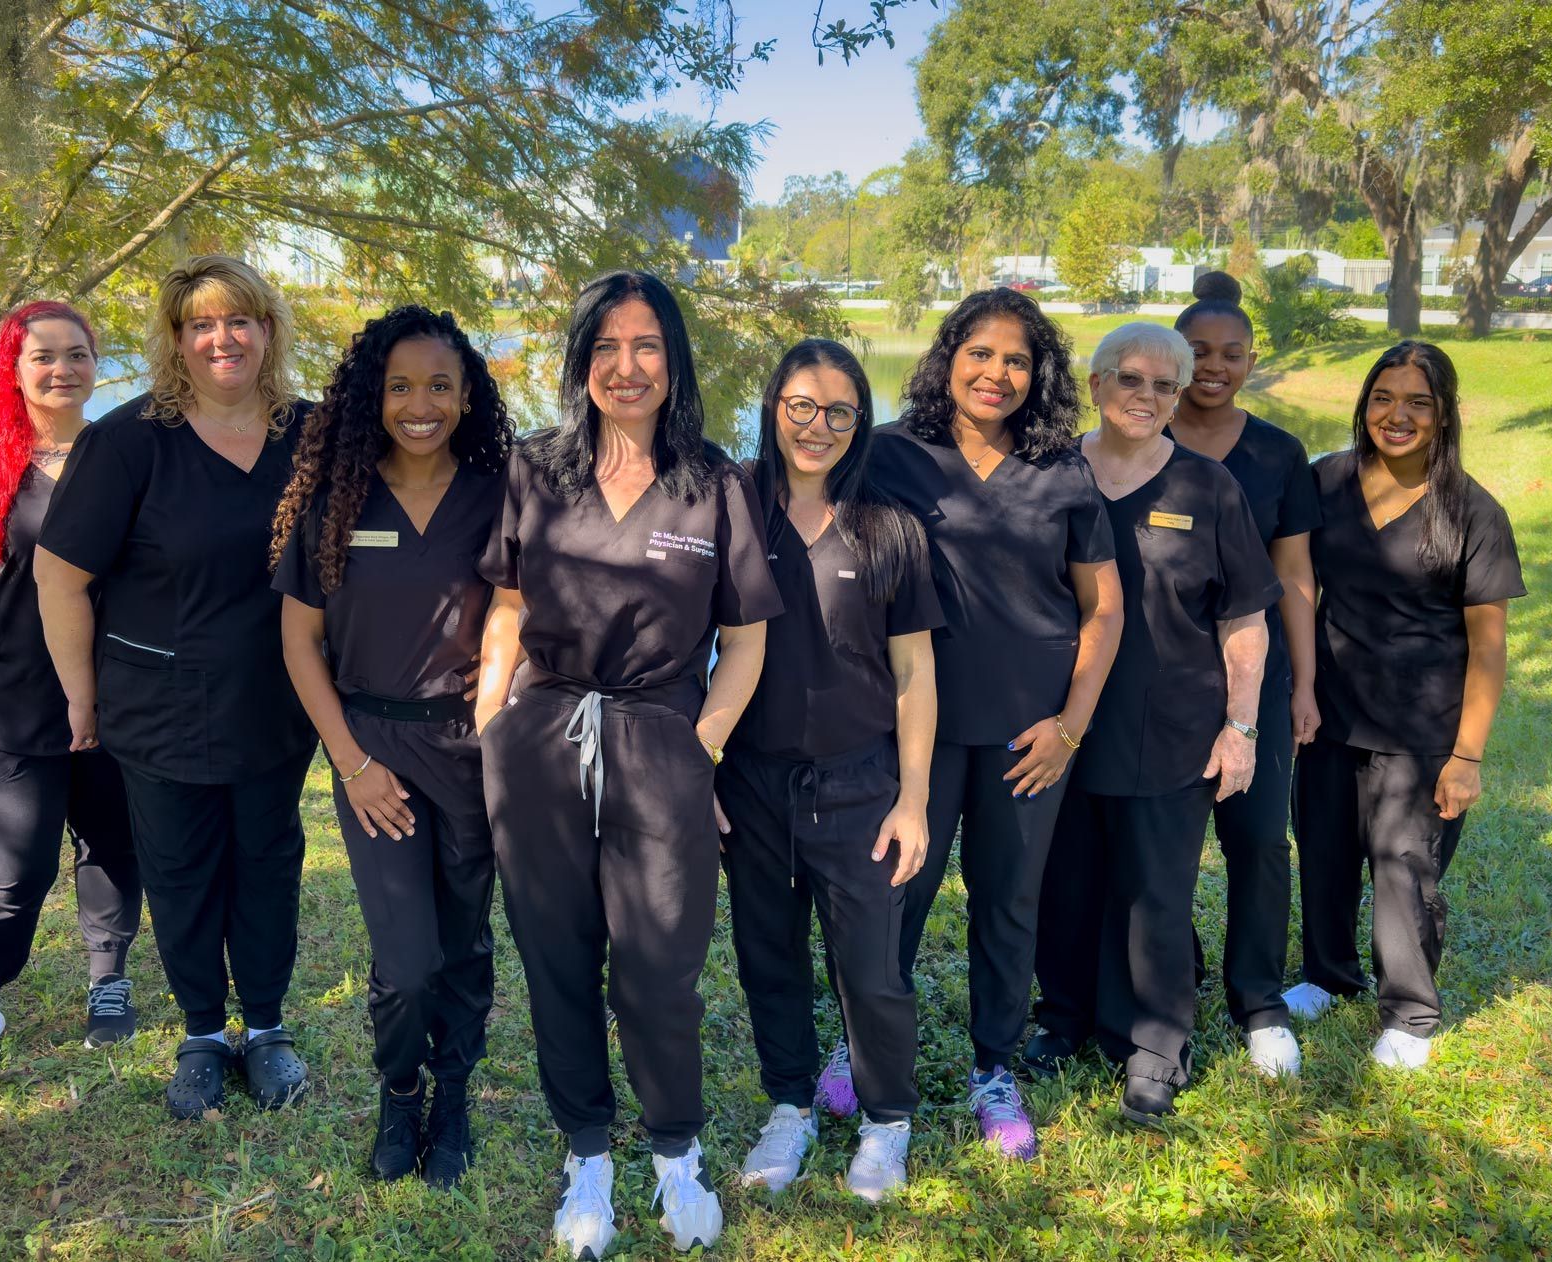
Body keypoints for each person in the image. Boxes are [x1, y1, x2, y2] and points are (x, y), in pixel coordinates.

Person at [473, 271, 781, 1257]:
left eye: (647, 345)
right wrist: (492, 729)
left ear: (675, 360)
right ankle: (589, 1159)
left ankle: (675, 1150)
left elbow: (746, 638)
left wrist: (700, 747)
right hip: (542, 735)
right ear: (581, 360)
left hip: (661, 738)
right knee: (556, 957)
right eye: (606, 346)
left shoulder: (715, 482)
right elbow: (510, 608)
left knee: (659, 970)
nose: (626, 365)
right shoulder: (536, 467)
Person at [35, 256, 318, 1118]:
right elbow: (58, 576)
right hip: (158, 708)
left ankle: (265, 1028)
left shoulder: (313, 435)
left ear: (268, 329)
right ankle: (202, 1032)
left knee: (267, 866)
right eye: (200, 324)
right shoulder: (127, 441)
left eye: (238, 320)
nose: (221, 338)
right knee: (183, 870)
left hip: (278, 700)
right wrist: (81, 697)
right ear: (175, 340)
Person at [866, 288, 1122, 1160]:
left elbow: (1104, 611)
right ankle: (862, 1042)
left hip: (1026, 739)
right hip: (915, 732)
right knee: (895, 894)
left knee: (1009, 907)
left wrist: (1069, 726)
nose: (997, 373)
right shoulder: (889, 455)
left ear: (1038, 374)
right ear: (949, 357)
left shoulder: (1063, 472)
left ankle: (992, 1068)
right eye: (980, 353)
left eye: (1018, 359)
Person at [271, 306, 512, 1187]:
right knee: (407, 963)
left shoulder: (498, 495)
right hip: (371, 748)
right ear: (373, 395)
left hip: (473, 746)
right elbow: (300, 645)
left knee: (465, 944)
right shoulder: (338, 501)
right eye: (401, 385)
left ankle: (452, 1098)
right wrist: (353, 764)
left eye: (440, 386)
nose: (421, 404)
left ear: (466, 396)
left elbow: (524, 617)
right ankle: (399, 1091)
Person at [1032, 322, 1282, 1124]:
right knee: (1063, 888)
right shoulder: (1050, 474)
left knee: (1155, 896)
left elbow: (1246, 621)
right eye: (1131, 380)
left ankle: (1153, 1048)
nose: (1147, 398)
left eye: (1164, 387)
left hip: (1169, 727)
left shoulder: (1209, 489)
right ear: (1098, 384)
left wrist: (1240, 729)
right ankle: (1064, 1021)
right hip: (1057, 726)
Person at [722, 340, 939, 1204]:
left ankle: (887, 1120)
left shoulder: (889, 528)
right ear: (774, 407)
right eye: (801, 406)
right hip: (750, 781)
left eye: (839, 410)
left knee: (870, 967)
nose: (817, 426)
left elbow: (916, 673)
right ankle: (790, 1104)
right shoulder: (731, 507)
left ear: (862, 421)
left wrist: (914, 799)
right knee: (767, 954)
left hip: (859, 783)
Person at [0, 301, 144, 1091]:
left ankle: (108, 976)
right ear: (10, 368)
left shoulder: (127, 453)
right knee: (11, 873)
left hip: (121, 698)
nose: (62, 370)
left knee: (113, 845)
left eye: (78, 354)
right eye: (43, 355)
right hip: (9, 701)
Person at [1287, 341, 1523, 1070]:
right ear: (1363, 403)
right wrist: (1298, 689)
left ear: (1445, 415)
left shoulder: (1472, 510)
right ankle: (1327, 974)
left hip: (1422, 726)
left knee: (1404, 869)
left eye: (1419, 402)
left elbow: (1487, 648)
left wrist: (1467, 755)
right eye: (1384, 397)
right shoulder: (1324, 482)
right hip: (1328, 711)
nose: (1398, 415)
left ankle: (1411, 1013)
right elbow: (1297, 582)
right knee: (1322, 853)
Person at [1164, 271, 1322, 1078]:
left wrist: (1303, 684)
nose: (1213, 367)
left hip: (1254, 680)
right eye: (1197, 353)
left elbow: (1295, 577)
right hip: (1156, 682)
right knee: (1161, 846)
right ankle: (1171, 983)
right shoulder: (1140, 440)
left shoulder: (1278, 454)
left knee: (1259, 837)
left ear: (1252, 362)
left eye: (1230, 354)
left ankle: (1258, 1002)